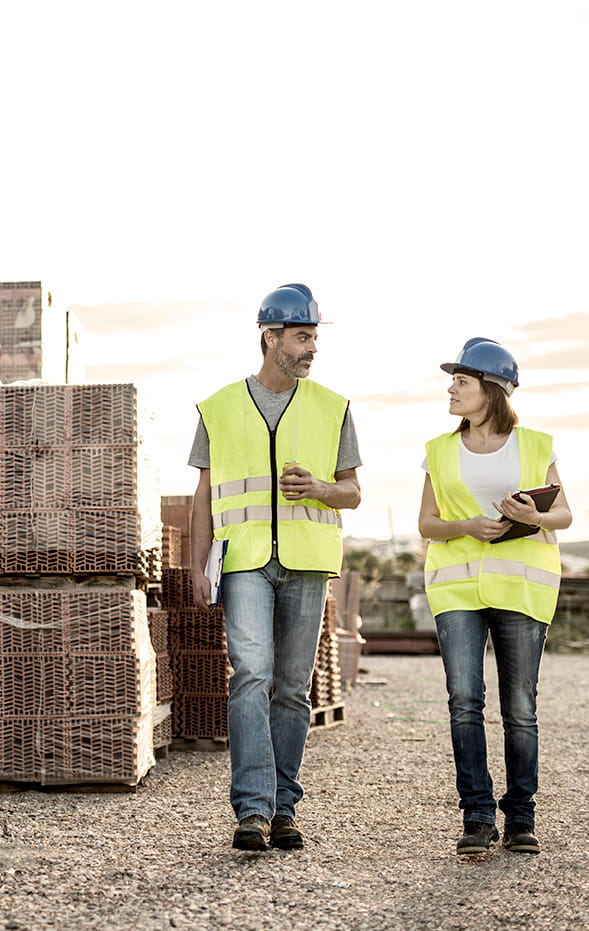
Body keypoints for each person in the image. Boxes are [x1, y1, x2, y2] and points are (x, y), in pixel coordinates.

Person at [188, 283, 361, 851]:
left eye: (314, 337)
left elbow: (353, 493)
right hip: (244, 562)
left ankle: (285, 807)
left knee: (291, 688)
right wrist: (196, 565)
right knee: (251, 673)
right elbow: (204, 493)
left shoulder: (334, 408)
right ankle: (253, 811)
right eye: (302, 337)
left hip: (307, 563)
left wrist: (319, 488)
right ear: (270, 337)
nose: (312, 348)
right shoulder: (218, 407)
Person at [417, 337, 572, 856]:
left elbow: (563, 516)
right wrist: (465, 525)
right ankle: (478, 817)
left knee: (520, 708)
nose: (451, 389)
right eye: (453, 381)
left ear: (493, 389)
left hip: (523, 588)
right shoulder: (438, 450)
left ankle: (521, 818)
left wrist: (533, 518)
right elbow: (427, 523)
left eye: (462, 381)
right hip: (456, 587)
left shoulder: (535, 445)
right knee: (464, 701)